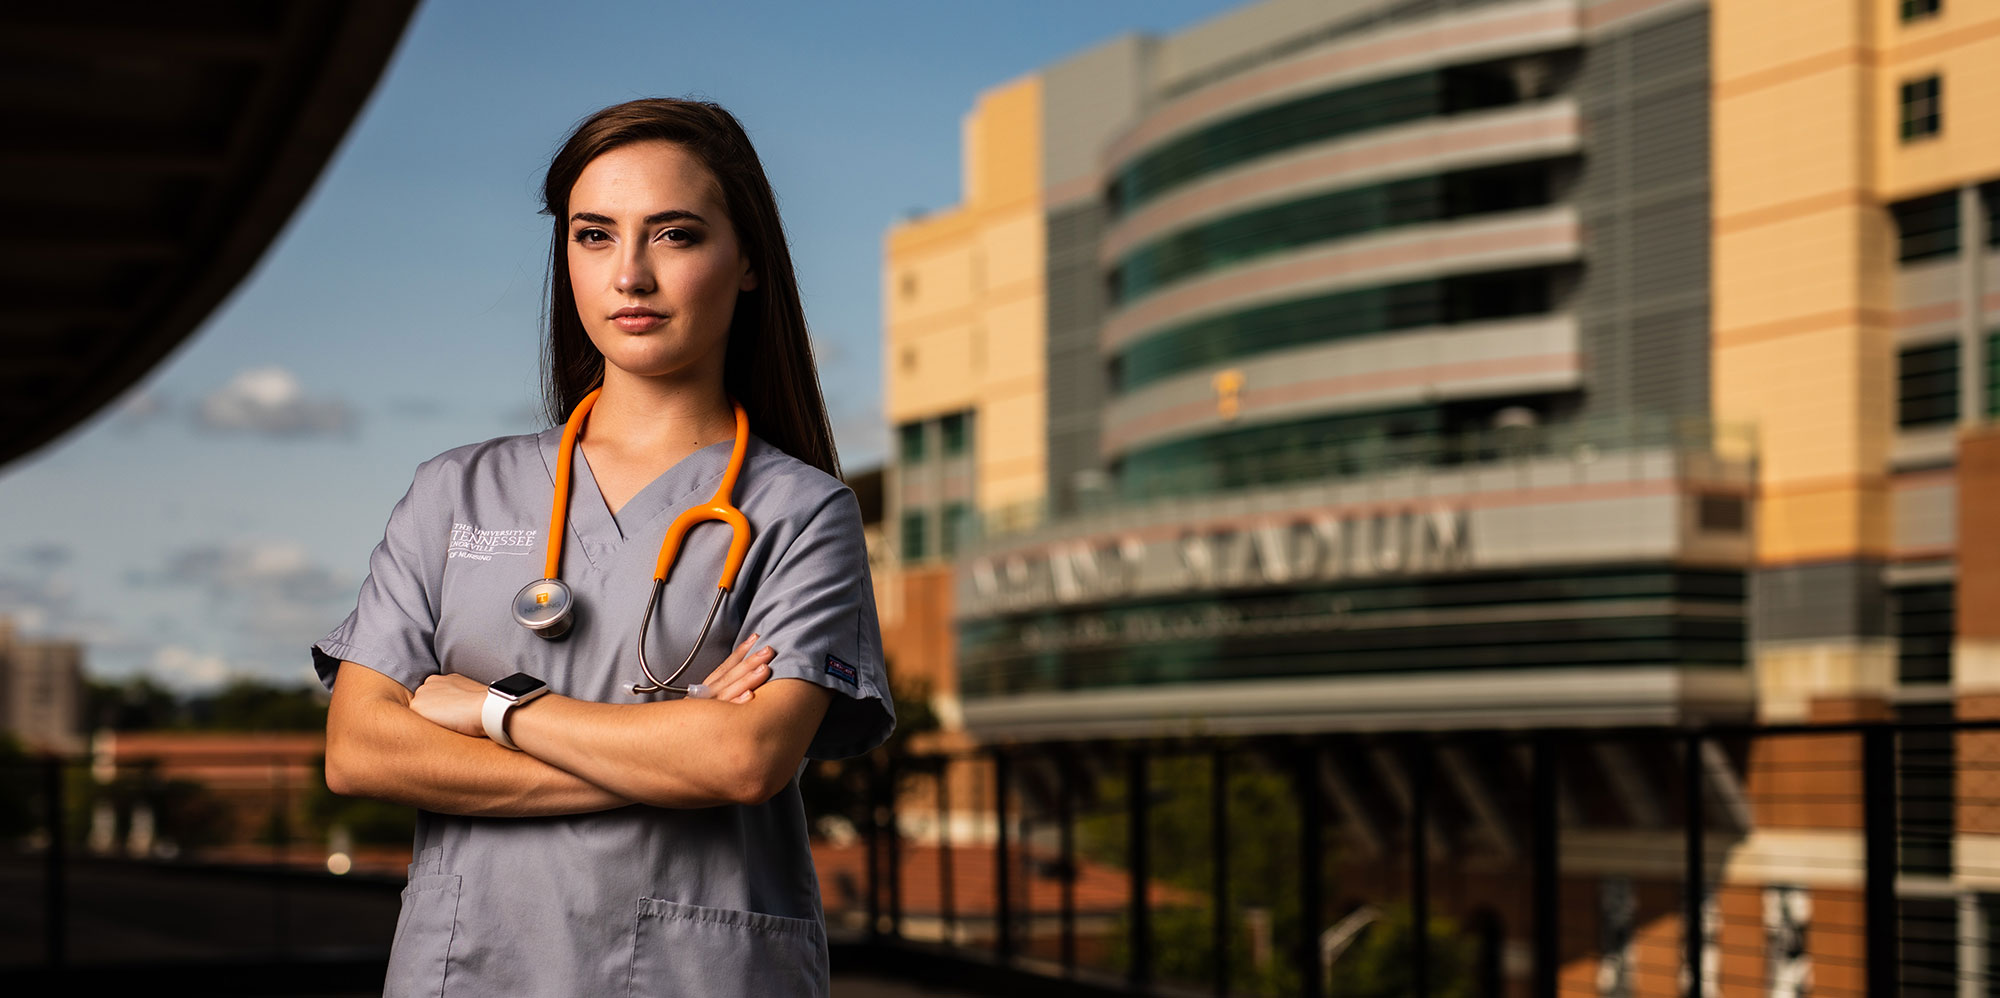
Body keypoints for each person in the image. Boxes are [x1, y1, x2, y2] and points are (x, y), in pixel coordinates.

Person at [312, 98, 893, 997]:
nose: (630, 274)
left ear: (746, 263)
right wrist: (672, 753)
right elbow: (360, 749)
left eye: (675, 235)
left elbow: (745, 761)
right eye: (594, 235)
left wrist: (496, 711)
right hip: (468, 970)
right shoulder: (452, 492)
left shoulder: (800, 513)